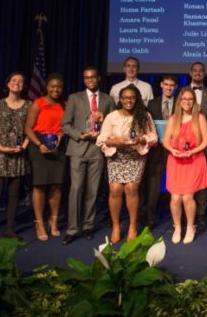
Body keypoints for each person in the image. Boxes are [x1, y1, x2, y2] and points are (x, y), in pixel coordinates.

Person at [96, 85, 158, 243]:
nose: (128, 101)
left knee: (131, 187)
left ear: (136, 99)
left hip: (135, 156)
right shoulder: (112, 117)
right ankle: (116, 227)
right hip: (116, 155)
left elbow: (153, 137)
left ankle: (132, 226)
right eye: (125, 98)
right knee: (115, 189)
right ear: (120, 100)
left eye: (132, 97)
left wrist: (141, 139)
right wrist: (114, 141)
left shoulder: (144, 116)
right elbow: (101, 139)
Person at [61, 66, 115, 244]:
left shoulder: (108, 99)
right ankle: (72, 229)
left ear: (98, 78)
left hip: (97, 150)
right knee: (76, 189)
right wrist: (80, 135)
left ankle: (88, 226)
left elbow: (113, 124)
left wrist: (103, 124)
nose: (90, 80)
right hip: (78, 148)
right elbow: (66, 125)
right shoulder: (74, 98)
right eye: (86, 78)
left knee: (93, 190)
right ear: (83, 80)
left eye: (93, 77)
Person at [0, 71, 30, 241]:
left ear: (24, 86)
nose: (17, 83)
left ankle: (10, 229)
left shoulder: (28, 105)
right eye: (14, 80)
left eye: (20, 81)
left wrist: (23, 147)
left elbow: (30, 130)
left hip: (18, 155)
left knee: (14, 194)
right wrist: (2, 147)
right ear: (8, 83)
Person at [162, 87, 207, 244]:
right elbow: (166, 141)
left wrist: (192, 151)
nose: (187, 102)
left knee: (188, 197)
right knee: (175, 198)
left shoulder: (200, 118)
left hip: (194, 160)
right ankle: (177, 227)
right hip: (176, 161)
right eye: (184, 99)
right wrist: (173, 151)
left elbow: (206, 141)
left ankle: (190, 227)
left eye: (190, 99)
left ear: (194, 102)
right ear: (179, 101)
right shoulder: (173, 119)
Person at [24, 73, 66, 241]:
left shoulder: (65, 104)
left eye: (59, 87)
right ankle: (39, 223)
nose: (56, 89)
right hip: (39, 144)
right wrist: (39, 144)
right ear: (47, 87)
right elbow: (27, 128)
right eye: (52, 86)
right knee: (40, 185)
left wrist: (60, 137)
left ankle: (53, 221)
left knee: (56, 185)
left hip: (57, 145)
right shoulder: (38, 103)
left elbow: (65, 126)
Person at [142, 74, 177, 228]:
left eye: (172, 85)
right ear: (161, 85)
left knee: (177, 184)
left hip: (175, 149)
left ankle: (177, 218)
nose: (169, 87)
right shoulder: (151, 103)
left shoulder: (180, 104)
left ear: (175, 87)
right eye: (166, 84)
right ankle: (150, 217)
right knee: (154, 184)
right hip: (156, 150)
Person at [188, 61, 207, 227]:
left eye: (200, 71)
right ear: (191, 73)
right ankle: (187, 209)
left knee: (202, 177)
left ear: (204, 74)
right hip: (185, 140)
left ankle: (201, 213)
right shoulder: (182, 92)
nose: (198, 73)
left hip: (204, 141)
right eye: (195, 71)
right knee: (187, 177)